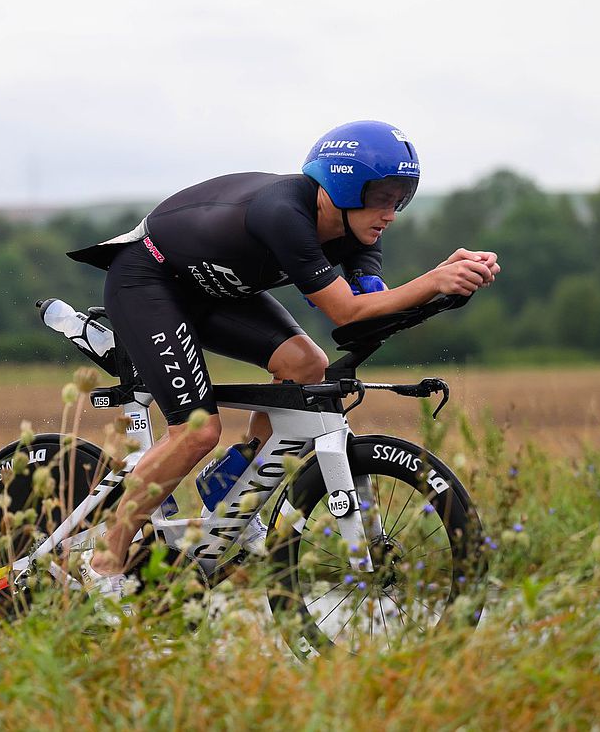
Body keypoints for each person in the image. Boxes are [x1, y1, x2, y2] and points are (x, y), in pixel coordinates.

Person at [66, 120, 500, 609]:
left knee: (305, 365)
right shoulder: (284, 214)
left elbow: (369, 306)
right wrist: (436, 278)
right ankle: (104, 558)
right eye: (381, 196)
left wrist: (449, 286)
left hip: (212, 291)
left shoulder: (358, 231)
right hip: (148, 282)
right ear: (340, 184)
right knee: (196, 430)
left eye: (401, 198)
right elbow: (345, 312)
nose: (390, 214)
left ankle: (230, 488)